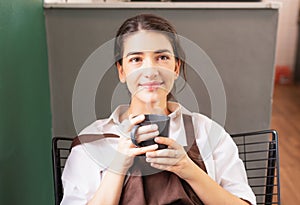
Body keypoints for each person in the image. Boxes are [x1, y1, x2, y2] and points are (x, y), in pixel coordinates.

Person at [61, 14, 256, 205]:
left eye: (162, 57)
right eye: (136, 59)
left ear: (176, 68)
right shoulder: (92, 142)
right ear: (122, 71)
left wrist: (188, 170)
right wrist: (117, 166)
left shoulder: (207, 132)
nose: (151, 71)